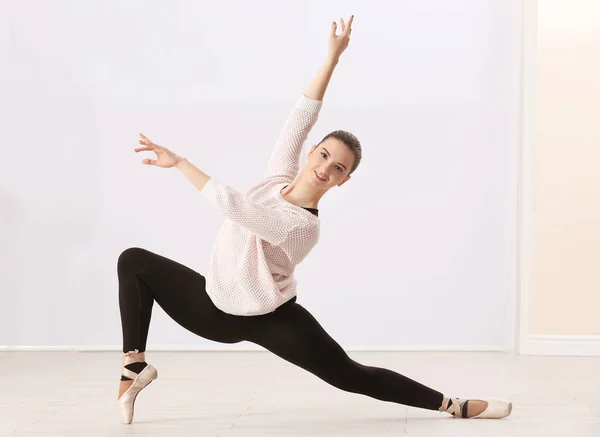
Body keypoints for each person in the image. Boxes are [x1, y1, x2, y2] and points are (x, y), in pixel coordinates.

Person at [116, 15, 512, 425]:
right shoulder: (277, 178)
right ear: (311, 153)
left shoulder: (302, 226)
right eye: (324, 155)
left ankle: (453, 405)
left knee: (349, 375)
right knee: (133, 261)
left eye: (338, 168)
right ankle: (134, 366)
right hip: (214, 307)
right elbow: (301, 117)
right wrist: (333, 58)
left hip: (271, 317)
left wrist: (180, 162)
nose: (326, 168)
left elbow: (236, 208)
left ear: (343, 180)